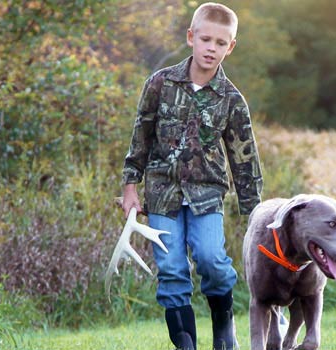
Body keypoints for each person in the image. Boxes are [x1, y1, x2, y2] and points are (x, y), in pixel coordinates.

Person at [120, 3, 262, 349]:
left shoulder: (232, 100)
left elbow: (244, 159)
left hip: (207, 196)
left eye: (220, 42)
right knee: (170, 268)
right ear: (191, 38)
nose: (211, 48)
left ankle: (224, 327)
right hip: (161, 194)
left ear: (231, 47)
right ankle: (186, 344)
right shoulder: (160, 83)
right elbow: (141, 137)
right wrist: (129, 187)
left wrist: (255, 213)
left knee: (212, 260)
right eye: (206, 39)